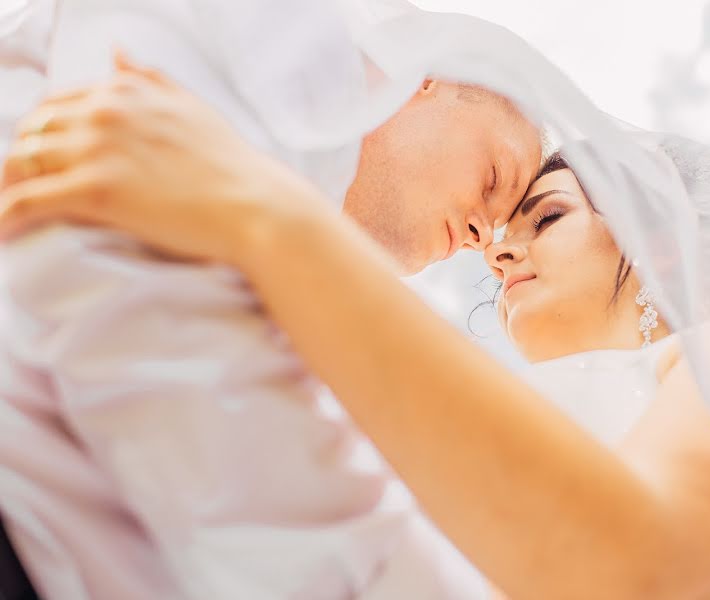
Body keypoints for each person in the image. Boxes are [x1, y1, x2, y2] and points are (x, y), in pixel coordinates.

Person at [4, 57, 710, 599]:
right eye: (495, 245)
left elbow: (642, 572)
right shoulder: (466, 410)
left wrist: (264, 217)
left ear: (660, 243)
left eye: (544, 217)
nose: (496, 252)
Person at [0, 1, 540, 598]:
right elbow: (155, 346)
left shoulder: (297, 231)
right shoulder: (278, 36)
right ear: (428, 78)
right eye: (495, 177)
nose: (483, 240)